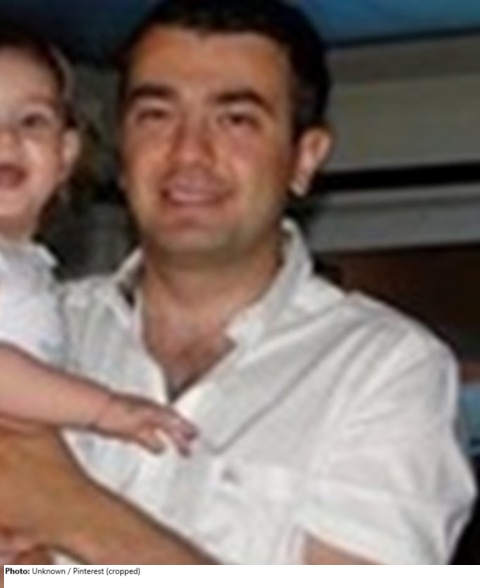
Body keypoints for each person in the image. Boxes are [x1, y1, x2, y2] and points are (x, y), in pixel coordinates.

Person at [0, 0, 475, 565]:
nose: (189, 152)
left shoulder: (386, 369)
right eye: (156, 115)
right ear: (122, 151)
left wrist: (76, 512)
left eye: (236, 120)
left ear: (304, 158)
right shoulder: (35, 327)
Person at [0, 28, 197, 481]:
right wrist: (104, 409)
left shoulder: (31, 268)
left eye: (31, 121)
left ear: (65, 153)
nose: (6, 139)